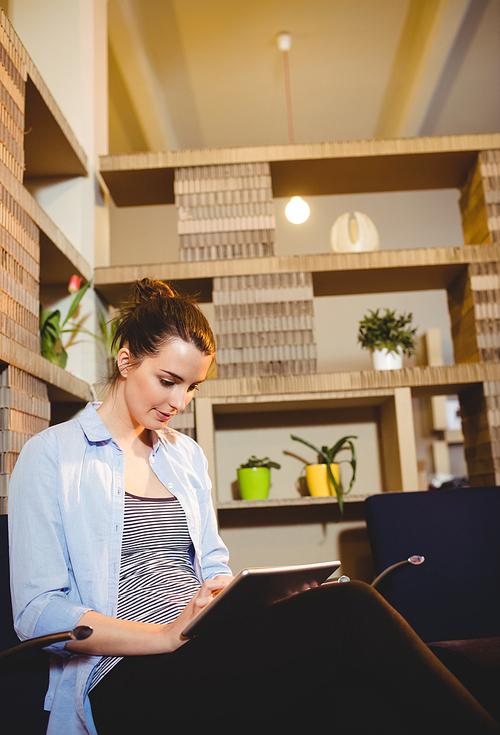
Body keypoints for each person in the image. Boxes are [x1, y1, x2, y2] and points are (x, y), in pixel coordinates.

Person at [8, 279, 499, 735]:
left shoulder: (185, 456)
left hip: (204, 651)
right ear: (126, 360)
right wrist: (166, 635)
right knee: (351, 608)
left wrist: (248, 596)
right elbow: (37, 613)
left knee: (355, 702)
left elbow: (211, 568)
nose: (180, 401)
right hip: (119, 679)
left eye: (192, 387)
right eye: (168, 380)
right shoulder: (53, 455)